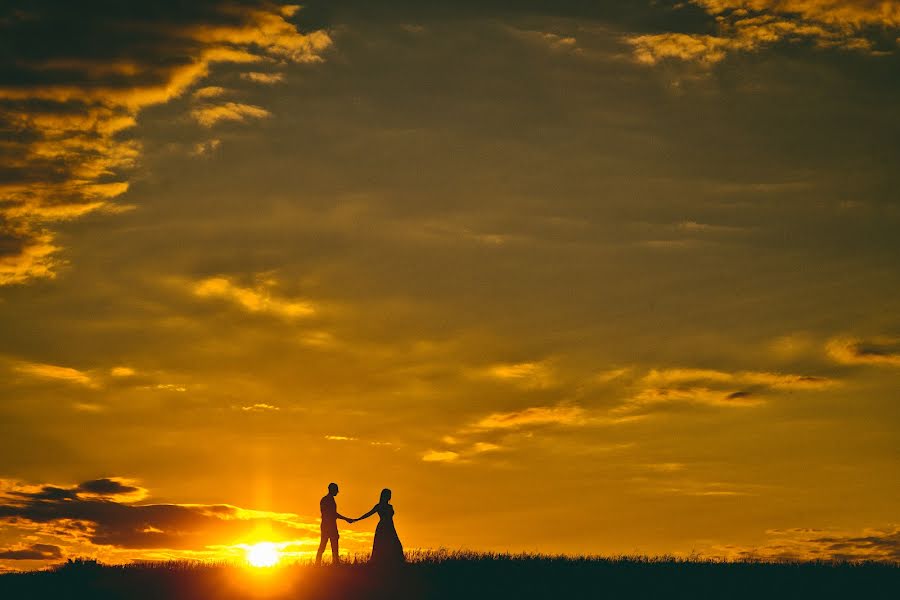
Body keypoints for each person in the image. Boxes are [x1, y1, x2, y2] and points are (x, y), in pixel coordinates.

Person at [351, 488, 405, 566]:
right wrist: (357, 519)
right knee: (382, 545)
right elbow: (368, 514)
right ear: (384, 496)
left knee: (396, 545)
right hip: (383, 527)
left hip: (390, 527)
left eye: (390, 495)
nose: (390, 497)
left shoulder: (390, 506)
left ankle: (394, 562)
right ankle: (381, 563)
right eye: (388, 495)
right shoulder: (379, 506)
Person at [316, 482, 352, 565]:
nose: (337, 492)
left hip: (329, 525)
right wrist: (346, 519)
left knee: (331, 545)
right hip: (328, 526)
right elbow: (333, 514)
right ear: (332, 490)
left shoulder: (327, 499)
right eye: (336, 490)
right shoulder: (327, 500)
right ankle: (319, 564)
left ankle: (334, 563)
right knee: (325, 545)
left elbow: (332, 514)